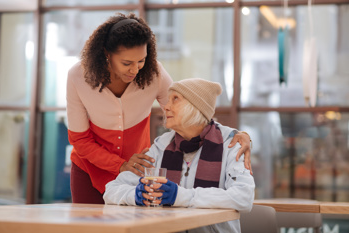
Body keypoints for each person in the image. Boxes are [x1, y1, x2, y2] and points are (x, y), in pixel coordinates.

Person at [66, 12, 252, 204]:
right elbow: (79, 138)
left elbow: (188, 111)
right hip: (89, 169)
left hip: (137, 167)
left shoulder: (154, 73)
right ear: (106, 53)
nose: (135, 69)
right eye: (127, 63)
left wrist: (232, 136)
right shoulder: (78, 77)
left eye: (141, 60)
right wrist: (119, 165)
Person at [103, 78, 255, 233]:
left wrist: (181, 196)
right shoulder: (161, 146)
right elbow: (111, 190)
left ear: (196, 107)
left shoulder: (231, 143)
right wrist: (135, 195)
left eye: (175, 99)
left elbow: (244, 197)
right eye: (168, 100)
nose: (166, 107)